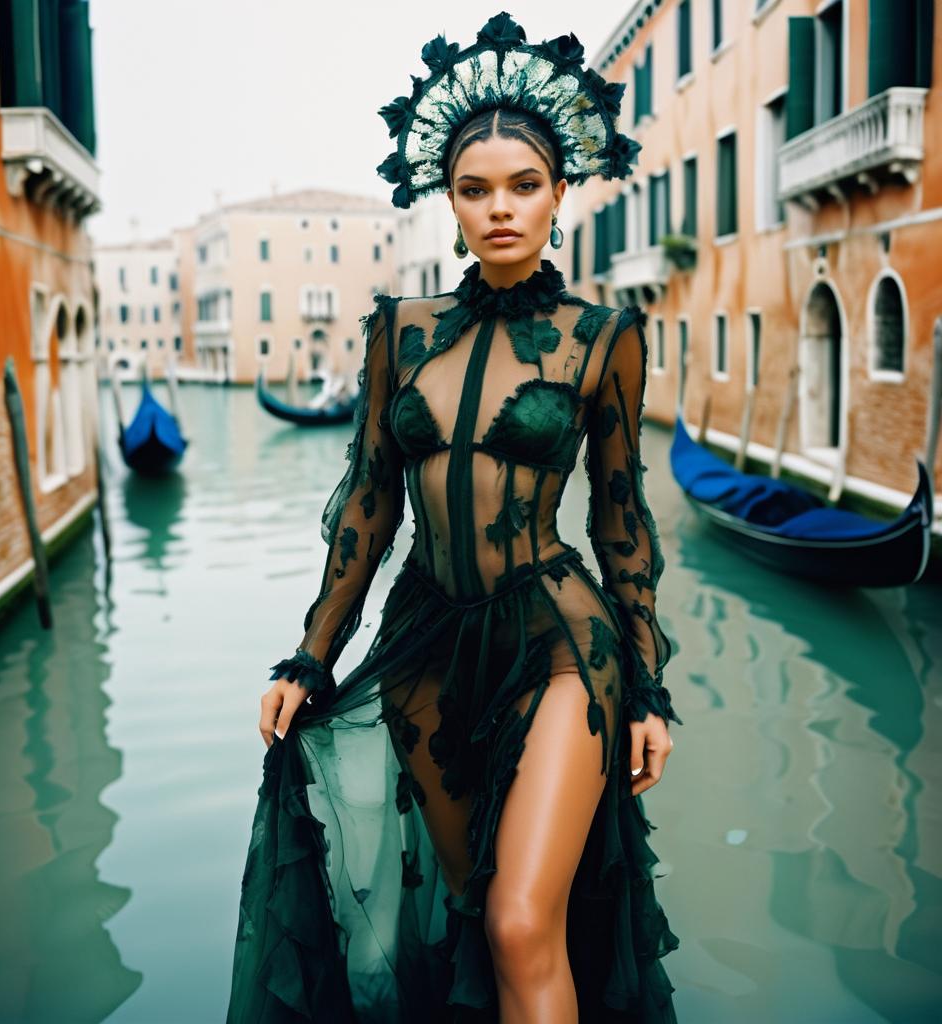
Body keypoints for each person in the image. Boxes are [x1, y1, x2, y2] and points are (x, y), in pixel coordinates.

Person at [227, 12, 683, 1023]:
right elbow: (368, 503)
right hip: (424, 649)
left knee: (525, 920)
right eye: (474, 190)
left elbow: (619, 522)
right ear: (450, 201)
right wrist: (310, 655)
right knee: (482, 914)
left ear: (560, 192)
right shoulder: (400, 330)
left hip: (559, 641)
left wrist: (647, 684)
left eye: (523, 185)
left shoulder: (603, 337)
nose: (500, 208)